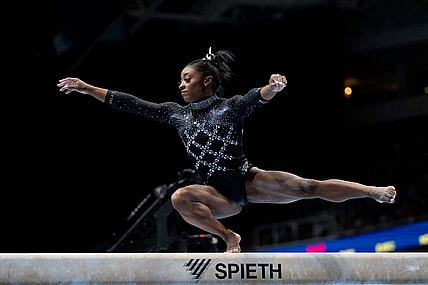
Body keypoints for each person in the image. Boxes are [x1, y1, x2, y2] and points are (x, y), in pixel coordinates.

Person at [57, 48, 396, 253]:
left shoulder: (230, 107)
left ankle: (371, 191)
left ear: (206, 81)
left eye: (186, 79)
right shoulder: (176, 114)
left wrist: (273, 88)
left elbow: (255, 97)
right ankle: (228, 237)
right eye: (180, 80)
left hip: (248, 181)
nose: (180, 84)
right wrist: (87, 88)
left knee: (306, 187)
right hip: (218, 195)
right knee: (179, 198)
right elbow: (134, 104)